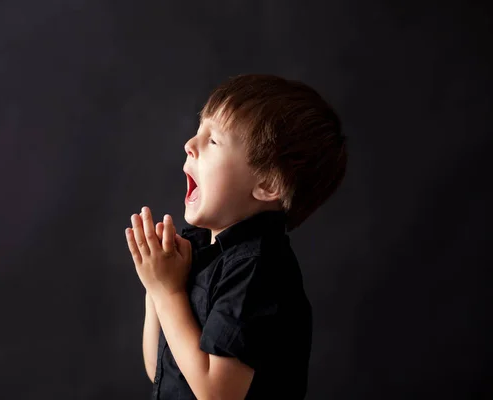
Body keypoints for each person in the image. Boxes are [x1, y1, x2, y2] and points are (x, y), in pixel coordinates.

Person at [125, 74, 347, 399]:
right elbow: (158, 371)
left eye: (213, 140)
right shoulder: (201, 251)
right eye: (199, 129)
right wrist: (155, 288)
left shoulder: (258, 268)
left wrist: (168, 292)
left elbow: (217, 394)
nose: (190, 144)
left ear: (268, 185)